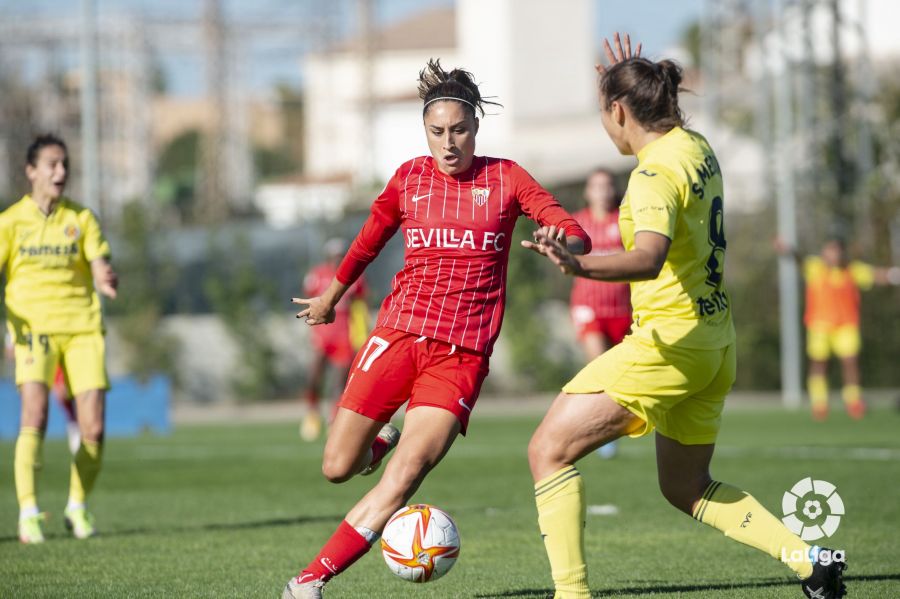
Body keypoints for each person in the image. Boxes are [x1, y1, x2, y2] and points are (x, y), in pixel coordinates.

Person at [522, 34, 846, 599]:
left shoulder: (650, 176)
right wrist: (624, 77)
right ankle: (809, 561)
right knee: (687, 488)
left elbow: (647, 259)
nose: (604, 124)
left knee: (546, 451)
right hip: (714, 344)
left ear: (619, 111)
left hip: (667, 346)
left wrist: (578, 266)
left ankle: (570, 595)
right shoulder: (695, 146)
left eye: (605, 112)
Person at [283, 59, 590, 598]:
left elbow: (570, 226)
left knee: (405, 476)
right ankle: (377, 442)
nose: (449, 143)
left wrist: (566, 242)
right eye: (437, 132)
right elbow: (367, 241)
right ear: (426, 130)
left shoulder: (506, 178)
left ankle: (309, 581)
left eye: (460, 130)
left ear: (476, 127)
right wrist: (332, 297)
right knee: (336, 467)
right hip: (399, 334)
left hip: (461, 356)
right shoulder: (409, 177)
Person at [0, 134, 118, 544]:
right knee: (34, 415)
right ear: (31, 171)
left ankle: (77, 505)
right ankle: (29, 512)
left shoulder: (81, 217)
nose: (61, 172)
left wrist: (104, 276)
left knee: (95, 427)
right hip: (33, 331)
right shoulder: (10, 222)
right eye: (52, 164)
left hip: (83, 329)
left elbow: (99, 260)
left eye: (64, 164)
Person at [776, 236, 900, 421]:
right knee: (819, 364)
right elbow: (799, 260)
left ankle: (853, 401)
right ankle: (819, 404)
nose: (832, 254)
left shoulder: (852, 270)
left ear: (842, 252)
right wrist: (789, 250)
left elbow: (877, 275)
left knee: (850, 363)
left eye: (835, 250)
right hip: (819, 325)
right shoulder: (815, 268)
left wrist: (894, 275)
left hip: (846, 325)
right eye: (829, 250)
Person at [569, 168, 631, 458]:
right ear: (587, 191)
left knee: (622, 374)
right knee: (600, 367)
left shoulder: (626, 220)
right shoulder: (578, 223)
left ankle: (617, 423)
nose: (602, 191)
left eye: (607, 186)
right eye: (596, 186)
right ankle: (603, 435)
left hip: (622, 309)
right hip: (588, 308)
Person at [299, 238, 369, 441]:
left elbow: (359, 309)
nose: (338, 258)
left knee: (338, 383)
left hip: (343, 338)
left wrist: (361, 335)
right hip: (322, 336)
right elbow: (309, 302)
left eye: (341, 255)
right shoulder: (317, 275)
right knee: (313, 377)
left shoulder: (356, 278)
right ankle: (312, 412)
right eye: (335, 255)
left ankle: (333, 420)